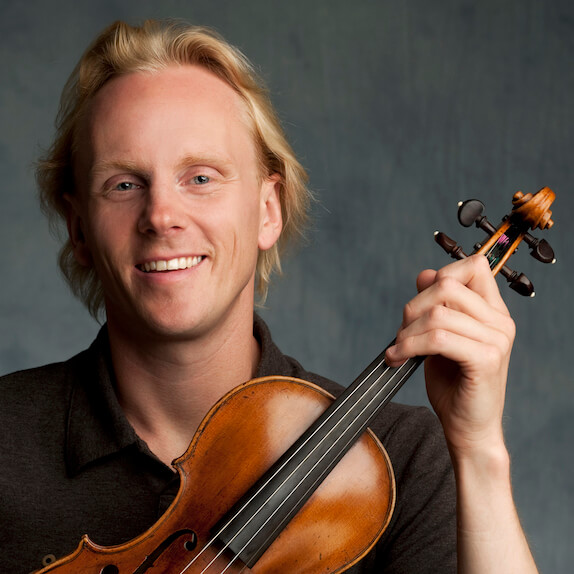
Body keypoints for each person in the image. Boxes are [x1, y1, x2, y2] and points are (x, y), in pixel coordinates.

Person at [0, 19, 538, 574]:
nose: (161, 215)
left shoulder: (396, 457)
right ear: (79, 229)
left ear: (267, 210)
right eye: (124, 185)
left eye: (201, 178)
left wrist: (479, 453)